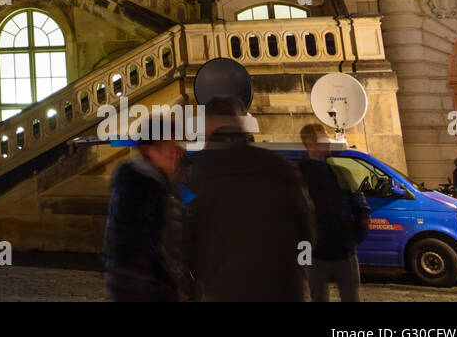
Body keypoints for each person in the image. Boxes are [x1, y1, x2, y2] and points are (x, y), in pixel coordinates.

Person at [183, 96, 314, 301]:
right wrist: (299, 270)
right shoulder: (279, 166)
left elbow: (184, 241)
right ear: (240, 123)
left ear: (207, 123)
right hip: (284, 289)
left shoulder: (194, 175)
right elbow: (306, 230)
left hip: (227, 290)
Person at [103, 123, 190, 301]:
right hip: (143, 287)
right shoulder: (144, 188)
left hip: (134, 283)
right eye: (170, 146)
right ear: (149, 150)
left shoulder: (151, 182)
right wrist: (173, 287)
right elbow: (147, 244)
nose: (176, 152)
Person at [297, 123, 369, 302]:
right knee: (318, 296)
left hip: (343, 249)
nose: (328, 142)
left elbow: (360, 205)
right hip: (314, 252)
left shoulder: (340, 172)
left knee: (351, 295)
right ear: (310, 142)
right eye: (323, 138)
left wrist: (354, 238)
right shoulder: (298, 175)